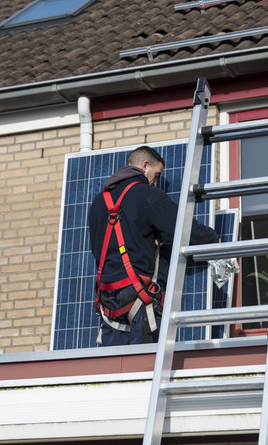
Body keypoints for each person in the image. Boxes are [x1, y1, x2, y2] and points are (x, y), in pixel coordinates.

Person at [88, 145, 219, 346]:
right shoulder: (146, 195)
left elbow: (96, 249)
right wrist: (214, 239)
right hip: (139, 296)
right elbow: (184, 230)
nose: (156, 182)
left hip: (107, 299)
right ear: (145, 165)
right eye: (156, 175)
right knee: (143, 368)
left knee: (113, 370)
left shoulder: (98, 203)